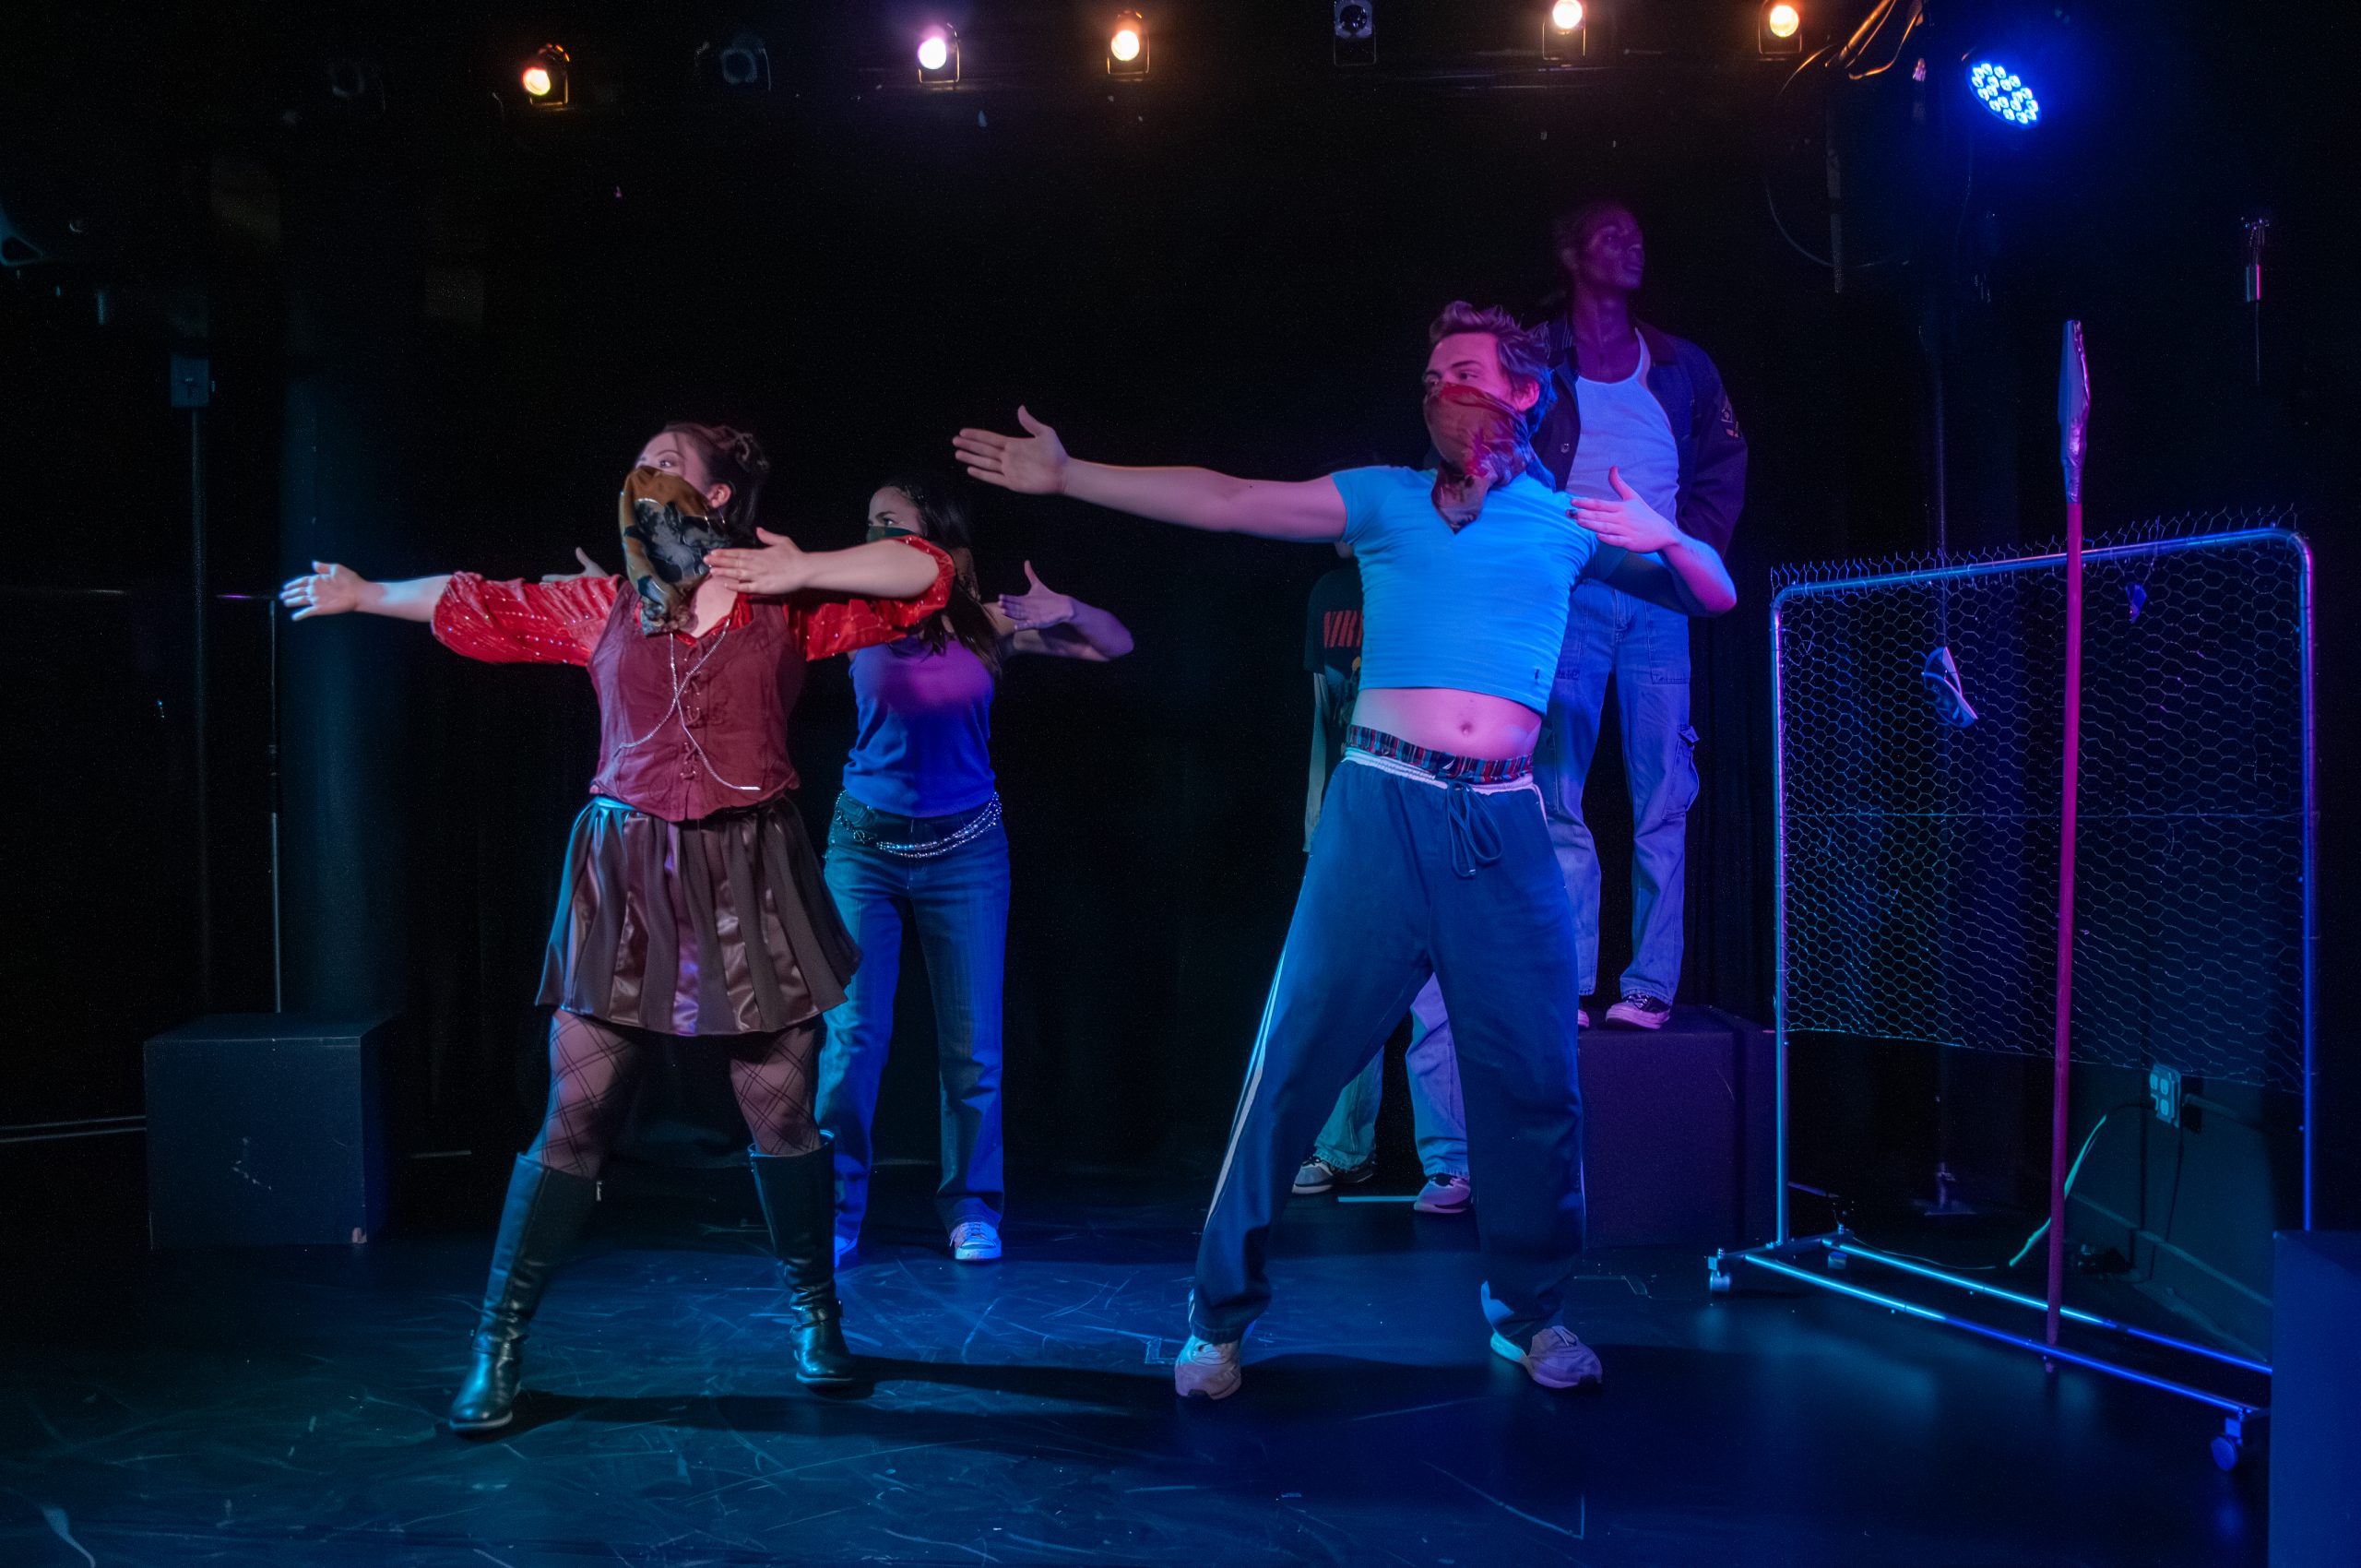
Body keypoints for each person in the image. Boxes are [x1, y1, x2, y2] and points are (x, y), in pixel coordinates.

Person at [955, 302, 1734, 1400]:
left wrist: (1669, 533)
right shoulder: (1382, 498)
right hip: (1379, 807)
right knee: (1292, 1068)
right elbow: (1228, 499)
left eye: (1465, 369)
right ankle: (1217, 1317)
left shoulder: (1566, 524)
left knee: (1536, 1083)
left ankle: (1529, 1311)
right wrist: (1072, 474)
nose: (1442, 388)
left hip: (1503, 822)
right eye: (1431, 375)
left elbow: (1714, 593)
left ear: (1523, 390)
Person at [279, 422, 953, 1431]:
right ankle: (497, 1346)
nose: (647, 473)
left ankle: (817, 1317)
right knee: (577, 1115)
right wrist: (368, 593)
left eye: (669, 460)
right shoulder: (604, 604)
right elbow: (478, 600)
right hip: (627, 874)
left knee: (780, 1114)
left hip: (752, 872)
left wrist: (801, 566)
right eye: (640, 461)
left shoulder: (788, 605)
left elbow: (927, 574)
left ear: (718, 495)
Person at [817, 474, 1133, 1268]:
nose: (875, 534)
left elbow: (1115, 643)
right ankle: (834, 1207)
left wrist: (1067, 608)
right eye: (869, 522)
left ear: (937, 541)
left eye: (892, 521)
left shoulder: (987, 625)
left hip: (966, 853)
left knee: (973, 1048)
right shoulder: (851, 620)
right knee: (852, 1040)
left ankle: (970, 1207)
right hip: (864, 851)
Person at [1531, 200, 1748, 1030]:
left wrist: (1692, 553)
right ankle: (1568, 981)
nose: (1632, 244)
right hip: (1574, 589)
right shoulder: (1537, 356)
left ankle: (1650, 984)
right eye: (1612, 233)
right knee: (1557, 790)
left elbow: (1723, 461)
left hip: (1659, 595)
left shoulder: (1681, 365)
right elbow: (1499, 453)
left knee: (1665, 793)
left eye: (1638, 233)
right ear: (1570, 251)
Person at [1293, 555, 1471, 1216]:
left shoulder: (1435, 573)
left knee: (1433, 998)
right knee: (1350, 989)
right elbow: (1325, 715)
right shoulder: (1332, 592)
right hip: (1358, 812)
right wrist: (1319, 824)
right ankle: (1343, 1149)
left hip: (1432, 808)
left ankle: (1449, 1161)